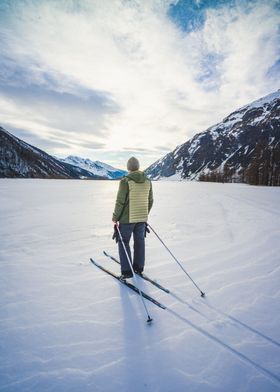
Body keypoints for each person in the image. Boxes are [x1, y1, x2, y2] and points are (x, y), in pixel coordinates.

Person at [112, 157, 153, 279]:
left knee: (123, 242)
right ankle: (138, 267)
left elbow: (120, 201)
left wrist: (115, 217)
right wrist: (144, 213)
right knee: (140, 242)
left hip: (126, 219)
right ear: (138, 166)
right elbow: (150, 200)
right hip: (141, 218)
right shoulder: (148, 181)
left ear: (128, 168)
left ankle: (127, 271)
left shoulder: (125, 181)